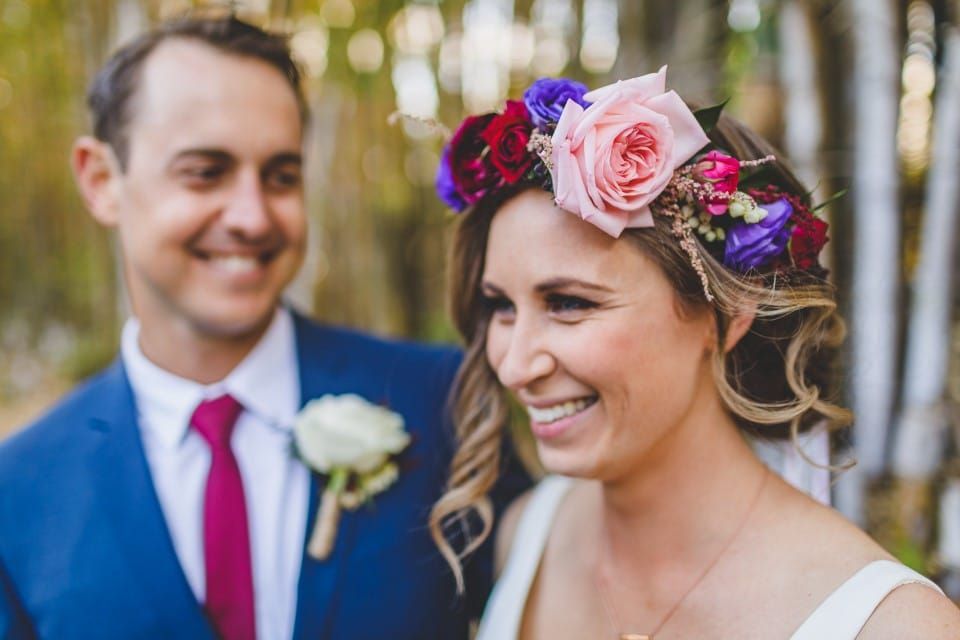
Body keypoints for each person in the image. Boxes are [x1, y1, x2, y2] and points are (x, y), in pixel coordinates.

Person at [0, 15, 527, 640]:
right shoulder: (20, 491)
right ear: (101, 181)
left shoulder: (442, 401)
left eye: (281, 176)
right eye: (205, 172)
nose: (252, 217)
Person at [429, 69, 960, 638]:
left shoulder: (895, 626)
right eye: (500, 306)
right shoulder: (525, 534)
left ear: (726, 316)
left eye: (567, 303)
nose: (513, 365)